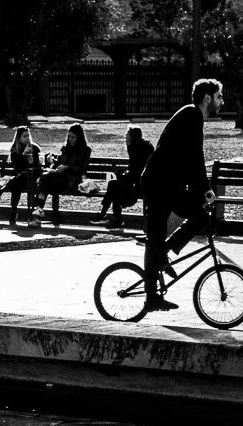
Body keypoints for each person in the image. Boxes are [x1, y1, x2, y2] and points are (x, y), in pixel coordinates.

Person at [140, 78, 224, 311]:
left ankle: (165, 252)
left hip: (169, 183)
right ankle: (151, 298)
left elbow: (187, 159)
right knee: (155, 238)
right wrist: (205, 188)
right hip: (158, 183)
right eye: (219, 97)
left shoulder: (192, 117)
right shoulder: (191, 115)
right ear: (207, 98)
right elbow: (195, 157)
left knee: (200, 218)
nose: (221, 102)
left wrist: (200, 191)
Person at [98, 125, 154, 232]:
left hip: (140, 185)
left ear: (132, 137)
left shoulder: (136, 148)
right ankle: (109, 216)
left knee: (114, 186)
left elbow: (135, 171)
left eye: (127, 135)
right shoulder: (143, 146)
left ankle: (107, 215)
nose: (125, 137)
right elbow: (135, 170)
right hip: (140, 183)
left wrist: (122, 175)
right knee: (115, 186)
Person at [34, 122, 91, 218]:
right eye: (69, 137)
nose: (70, 139)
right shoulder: (65, 148)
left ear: (79, 137)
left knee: (44, 181)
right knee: (45, 180)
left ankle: (37, 209)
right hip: (59, 177)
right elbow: (58, 162)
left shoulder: (85, 150)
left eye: (73, 137)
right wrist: (52, 160)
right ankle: (39, 210)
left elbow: (82, 169)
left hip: (71, 180)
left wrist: (67, 167)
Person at [0, 125, 41, 226]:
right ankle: (13, 212)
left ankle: (2, 190)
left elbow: (38, 167)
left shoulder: (34, 148)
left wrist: (31, 161)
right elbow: (17, 167)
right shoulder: (15, 149)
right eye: (24, 136)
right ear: (19, 138)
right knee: (16, 184)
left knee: (17, 182)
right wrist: (23, 155)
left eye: (28, 136)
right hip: (20, 178)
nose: (27, 138)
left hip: (32, 178)